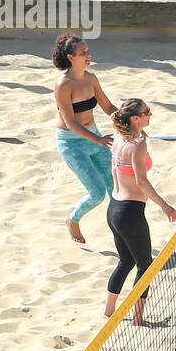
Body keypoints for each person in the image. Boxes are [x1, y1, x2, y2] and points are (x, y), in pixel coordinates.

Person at [105, 98, 176, 324]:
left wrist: (141, 138)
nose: (150, 115)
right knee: (145, 266)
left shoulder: (119, 138)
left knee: (125, 261)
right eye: (146, 112)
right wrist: (164, 205)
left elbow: (120, 167)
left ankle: (109, 311)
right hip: (130, 213)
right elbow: (142, 182)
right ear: (135, 118)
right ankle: (137, 318)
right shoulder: (138, 145)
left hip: (114, 208)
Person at [53, 33, 115, 244]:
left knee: (115, 188)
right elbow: (70, 122)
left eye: (88, 52)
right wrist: (98, 141)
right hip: (72, 143)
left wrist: (131, 125)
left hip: (95, 135)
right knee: (97, 193)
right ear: (70, 57)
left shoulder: (91, 78)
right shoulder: (63, 84)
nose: (88, 56)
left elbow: (108, 107)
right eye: (83, 53)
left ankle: (122, 233)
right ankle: (73, 220)